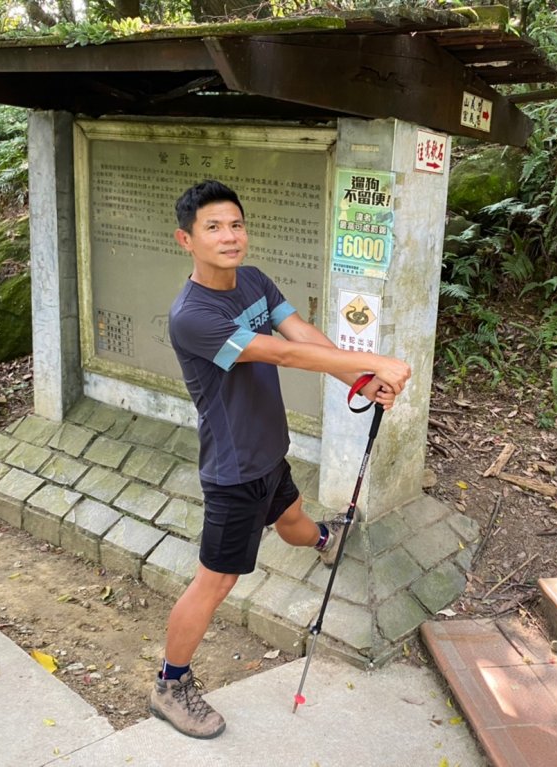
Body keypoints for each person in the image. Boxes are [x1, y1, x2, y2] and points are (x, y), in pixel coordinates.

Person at [149, 179, 412, 739]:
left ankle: (324, 540)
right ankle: (170, 685)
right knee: (214, 583)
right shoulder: (192, 316)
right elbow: (284, 353)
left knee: (292, 519)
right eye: (213, 228)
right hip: (233, 469)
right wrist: (377, 362)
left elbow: (304, 333)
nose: (229, 236)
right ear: (186, 240)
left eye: (236, 224)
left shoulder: (254, 281)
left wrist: (362, 379)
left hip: (269, 451)